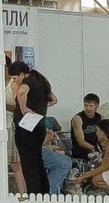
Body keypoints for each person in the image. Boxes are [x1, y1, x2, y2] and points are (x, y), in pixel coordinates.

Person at [8, 61, 57, 195]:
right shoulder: (41, 81)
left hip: (26, 128)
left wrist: (23, 108)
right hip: (39, 127)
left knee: (28, 164)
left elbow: (22, 93)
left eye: (15, 77)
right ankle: (44, 193)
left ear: (22, 74)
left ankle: (34, 194)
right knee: (38, 161)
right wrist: (39, 108)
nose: (14, 80)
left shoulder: (27, 82)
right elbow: (53, 100)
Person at [5, 56, 27, 194]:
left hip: (10, 126)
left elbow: (17, 106)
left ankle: (24, 196)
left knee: (16, 164)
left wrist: (3, 105)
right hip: (2, 127)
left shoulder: (13, 83)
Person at [71, 93, 102, 161]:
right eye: (86, 105)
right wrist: (95, 149)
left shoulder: (99, 117)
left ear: (96, 106)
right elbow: (81, 142)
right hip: (81, 151)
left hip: (96, 147)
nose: (88, 108)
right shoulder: (78, 119)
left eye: (91, 106)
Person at [42, 128, 72, 195]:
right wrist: (47, 140)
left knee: (67, 159)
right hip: (33, 150)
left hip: (41, 148)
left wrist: (48, 144)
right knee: (65, 164)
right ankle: (46, 193)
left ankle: (53, 193)